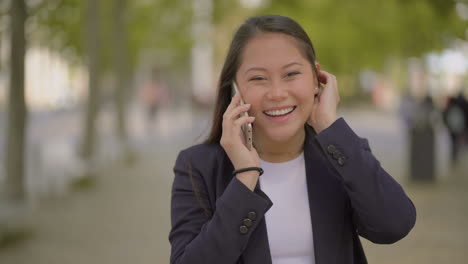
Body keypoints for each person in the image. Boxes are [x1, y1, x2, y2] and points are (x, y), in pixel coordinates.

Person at [169, 15, 416, 264]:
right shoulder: (197, 165)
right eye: (258, 78)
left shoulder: (340, 153)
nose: (277, 93)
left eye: (291, 74)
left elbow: (394, 225)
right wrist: (245, 177)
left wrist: (329, 126)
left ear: (316, 79)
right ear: (235, 90)